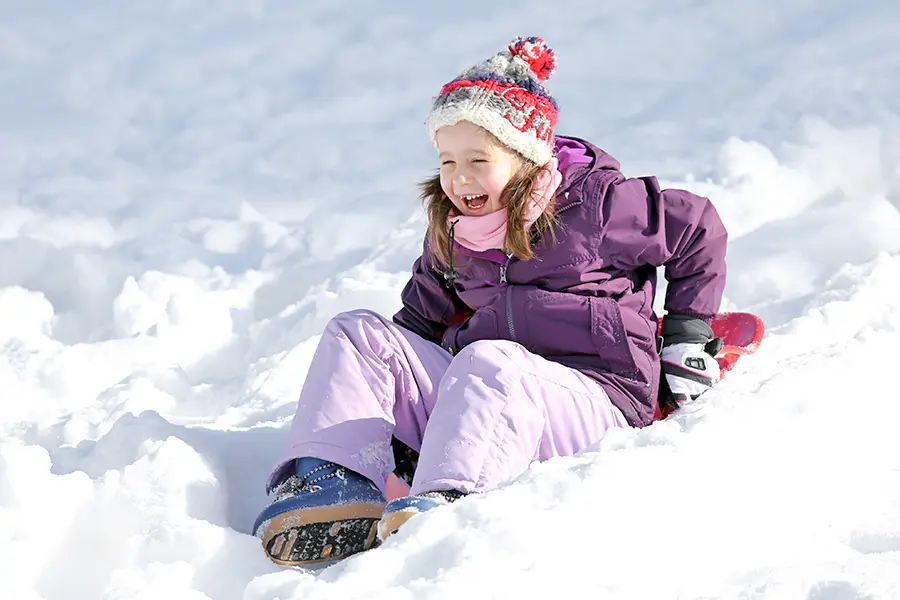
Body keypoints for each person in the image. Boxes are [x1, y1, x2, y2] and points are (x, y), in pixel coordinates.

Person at [252, 36, 727, 567]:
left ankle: (447, 502)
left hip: (596, 399)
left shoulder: (596, 207)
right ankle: (336, 482)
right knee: (359, 334)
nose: (459, 178)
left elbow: (697, 228)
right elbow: (416, 326)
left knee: (490, 360)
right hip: (483, 400)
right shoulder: (454, 232)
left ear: (525, 157)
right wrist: (400, 413)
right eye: (447, 160)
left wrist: (689, 331)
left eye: (479, 158)